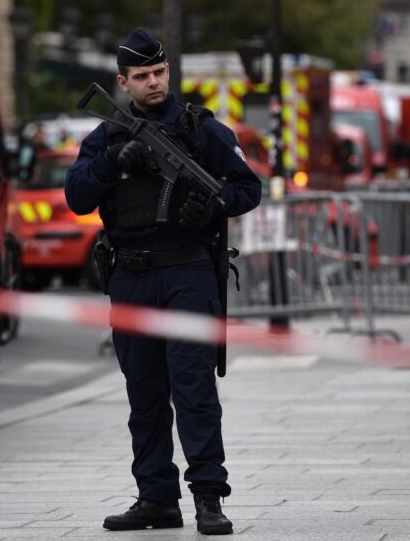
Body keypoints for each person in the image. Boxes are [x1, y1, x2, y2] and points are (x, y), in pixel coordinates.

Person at [65, 29, 262, 535]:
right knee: (144, 393)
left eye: (159, 73)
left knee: (193, 389)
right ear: (123, 82)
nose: (153, 83)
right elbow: (78, 198)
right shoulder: (105, 136)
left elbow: (247, 187)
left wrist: (214, 205)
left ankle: (208, 499)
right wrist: (112, 162)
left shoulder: (200, 130)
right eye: (141, 76)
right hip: (130, 274)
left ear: (168, 72)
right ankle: (156, 497)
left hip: (187, 273)